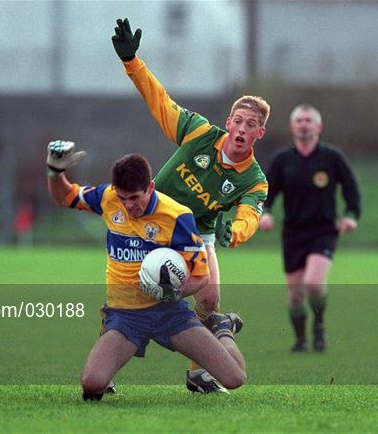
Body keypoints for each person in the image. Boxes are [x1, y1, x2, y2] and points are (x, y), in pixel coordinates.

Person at [112, 18, 269, 393]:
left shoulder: (255, 180)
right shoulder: (198, 131)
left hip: (198, 232)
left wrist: (237, 231)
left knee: (210, 297)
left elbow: (249, 216)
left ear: (259, 133)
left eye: (252, 125)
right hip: (153, 219)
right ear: (229, 122)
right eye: (239, 121)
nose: (243, 129)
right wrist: (132, 61)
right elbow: (159, 101)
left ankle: (198, 371)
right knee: (128, 296)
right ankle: (108, 372)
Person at [46, 140, 246, 401]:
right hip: (125, 316)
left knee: (234, 379)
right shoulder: (107, 197)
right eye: (123, 198)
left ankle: (221, 327)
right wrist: (55, 172)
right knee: (92, 384)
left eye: (135, 198)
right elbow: (65, 196)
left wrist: (173, 294)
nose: (128, 205)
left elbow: (201, 277)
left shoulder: (177, 217)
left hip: (169, 314)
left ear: (150, 188)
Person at [259, 104, 360, 352]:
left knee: (314, 283)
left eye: (309, 120)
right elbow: (266, 193)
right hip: (293, 233)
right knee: (295, 295)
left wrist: (350, 216)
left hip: (324, 231)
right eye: (299, 120)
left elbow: (351, 190)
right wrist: (266, 213)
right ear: (293, 127)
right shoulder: (283, 160)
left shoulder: (332, 157)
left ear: (318, 126)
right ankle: (301, 339)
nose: (304, 124)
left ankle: (319, 327)